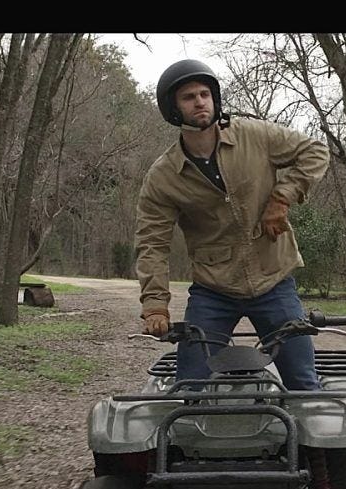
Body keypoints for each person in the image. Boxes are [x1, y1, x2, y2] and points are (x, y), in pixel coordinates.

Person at [134, 59, 330, 390]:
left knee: (302, 382)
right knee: (190, 385)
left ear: (215, 99)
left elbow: (316, 151)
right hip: (214, 289)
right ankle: (189, 438)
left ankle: (308, 442)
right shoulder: (163, 177)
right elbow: (152, 242)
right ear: (173, 108)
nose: (199, 101)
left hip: (273, 279)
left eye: (205, 94)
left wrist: (281, 198)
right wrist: (155, 305)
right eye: (188, 97)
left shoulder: (255, 136)